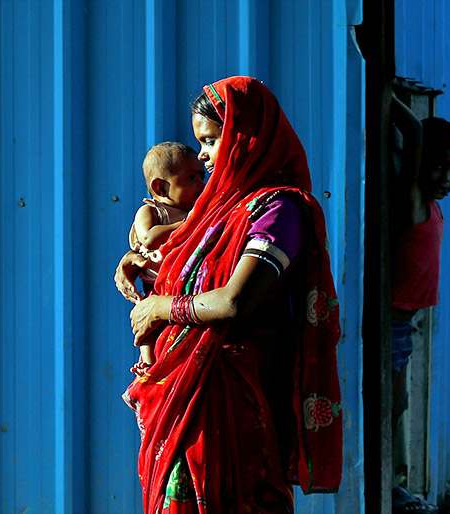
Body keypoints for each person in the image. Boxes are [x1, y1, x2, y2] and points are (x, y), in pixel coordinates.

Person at [117, 76, 342, 514]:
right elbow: (176, 256)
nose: (202, 154)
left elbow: (234, 300)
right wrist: (134, 263)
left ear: (246, 136)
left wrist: (162, 308)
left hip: (237, 395)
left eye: (211, 140)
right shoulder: (218, 208)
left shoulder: (278, 208)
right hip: (185, 392)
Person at [390, 96, 450, 513]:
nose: (447, 177)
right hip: (391, 323)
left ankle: (393, 485)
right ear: (421, 164)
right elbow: (416, 133)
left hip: (405, 325)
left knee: (397, 403)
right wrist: (388, 94)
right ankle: (389, 487)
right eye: (439, 166)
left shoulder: (433, 208)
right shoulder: (416, 199)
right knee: (391, 403)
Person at [123, 142, 205, 369]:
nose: (201, 183)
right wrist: (187, 225)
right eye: (190, 178)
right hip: (156, 284)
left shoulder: (196, 212)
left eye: (201, 176)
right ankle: (148, 365)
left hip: (183, 288)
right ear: (160, 188)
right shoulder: (151, 211)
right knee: (149, 324)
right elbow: (149, 238)